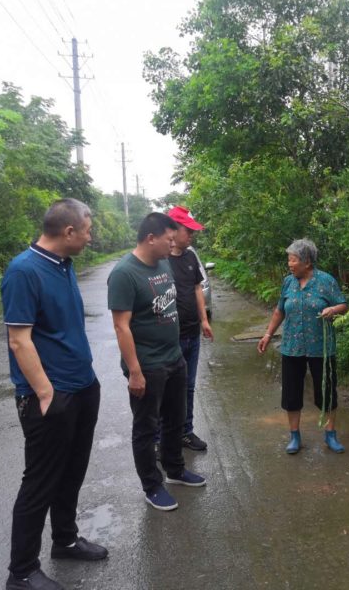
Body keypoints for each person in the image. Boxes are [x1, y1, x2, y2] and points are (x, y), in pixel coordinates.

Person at [1, 198, 108, 590]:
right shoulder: (23, 271)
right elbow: (19, 340)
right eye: (88, 230)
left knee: (72, 472)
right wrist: (46, 393)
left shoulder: (64, 264)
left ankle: (65, 539)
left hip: (82, 386)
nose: (90, 237)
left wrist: (86, 381)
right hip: (50, 397)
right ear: (69, 231)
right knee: (40, 482)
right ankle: (22, 572)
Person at [107, 212, 206, 512]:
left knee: (175, 419)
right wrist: (134, 371)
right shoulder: (124, 273)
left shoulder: (163, 264)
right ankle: (152, 485)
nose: (173, 244)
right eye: (168, 239)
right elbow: (121, 327)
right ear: (151, 238)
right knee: (147, 428)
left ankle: (175, 470)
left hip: (174, 357)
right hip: (148, 365)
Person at [257, 238, 349, 454]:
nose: (289, 264)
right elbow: (280, 310)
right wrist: (268, 334)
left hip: (321, 347)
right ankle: (294, 436)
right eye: (289, 260)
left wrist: (333, 310)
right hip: (292, 346)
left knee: (326, 391)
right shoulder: (288, 282)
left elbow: (343, 304)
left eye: (293, 260)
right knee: (291, 393)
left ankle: (330, 435)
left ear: (307, 262)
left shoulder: (326, 281)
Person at [166, 205, 213, 451]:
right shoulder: (160, 260)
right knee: (166, 389)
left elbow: (197, 289)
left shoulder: (191, 256)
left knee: (189, 386)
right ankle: (161, 439)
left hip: (192, 334)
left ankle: (186, 431)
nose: (192, 235)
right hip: (169, 339)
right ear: (173, 230)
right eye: (189, 231)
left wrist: (204, 320)